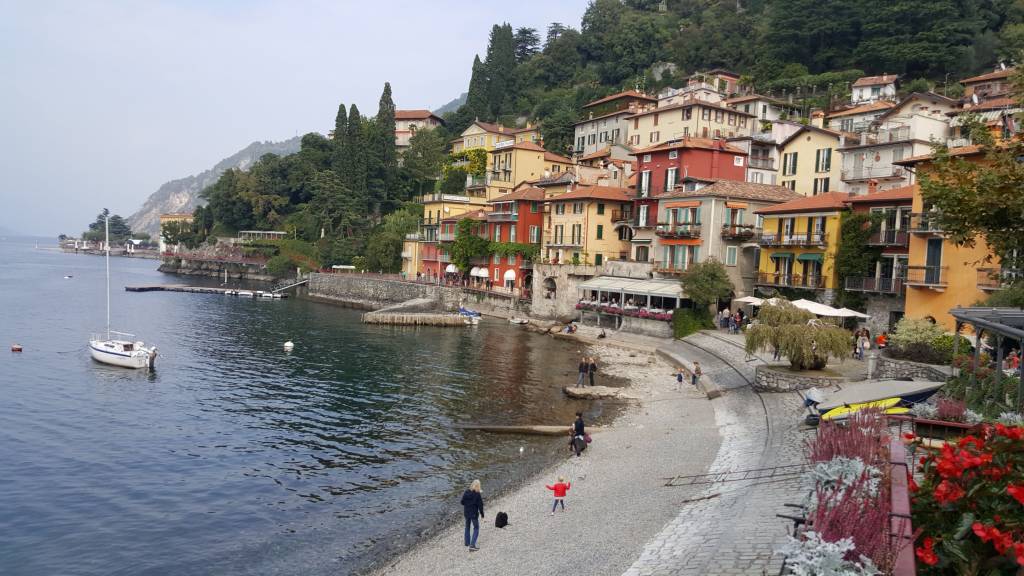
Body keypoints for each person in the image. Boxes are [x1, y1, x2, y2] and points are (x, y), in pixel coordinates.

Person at [460, 480, 484, 551]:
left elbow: (462, 502)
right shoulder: (477, 494)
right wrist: (482, 514)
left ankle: (467, 543)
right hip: (473, 514)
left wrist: (468, 503)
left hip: (466, 513)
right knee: (476, 528)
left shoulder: (466, 492)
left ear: (472, 485)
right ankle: (472, 545)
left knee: (467, 526)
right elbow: (480, 505)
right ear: (478, 486)